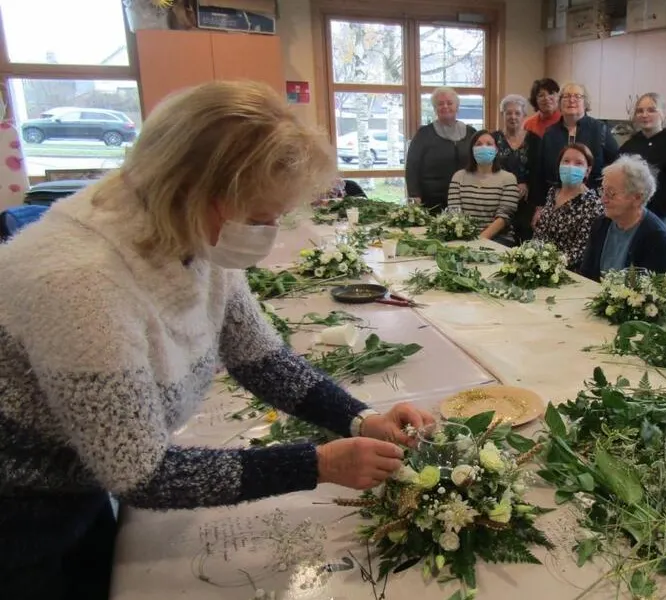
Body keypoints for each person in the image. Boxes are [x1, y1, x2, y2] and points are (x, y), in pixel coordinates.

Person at [0, 81, 435, 599]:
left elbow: (261, 360)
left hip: (76, 488)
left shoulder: (185, 229)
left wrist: (361, 418)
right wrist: (318, 464)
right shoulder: (79, 280)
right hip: (18, 515)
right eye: (258, 218)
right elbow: (143, 474)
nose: (268, 231)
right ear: (193, 188)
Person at [578, 154, 666, 281]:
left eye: (611, 193)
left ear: (637, 198)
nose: (603, 199)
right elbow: (586, 276)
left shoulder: (657, 238)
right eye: (603, 191)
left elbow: (652, 295)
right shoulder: (601, 224)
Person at [533, 82, 619, 225]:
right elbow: (540, 172)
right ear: (560, 103)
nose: (571, 100)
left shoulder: (600, 129)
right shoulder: (550, 133)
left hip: (593, 205)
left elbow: (617, 166)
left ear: (586, 103)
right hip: (556, 203)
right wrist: (539, 207)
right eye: (566, 96)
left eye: (577, 96)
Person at [618, 92, 666, 241]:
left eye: (651, 110)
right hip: (631, 213)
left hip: (665, 214)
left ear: (664, 114)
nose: (645, 114)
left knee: (659, 261)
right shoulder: (629, 145)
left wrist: (657, 209)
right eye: (640, 111)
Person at [532, 143, 604, 271]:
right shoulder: (552, 192)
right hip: (538, 264)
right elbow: (540, 232)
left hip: (567, 271)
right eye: (566, 161)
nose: (571, 167)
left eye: (578, 163)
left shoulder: (593, 204)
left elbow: (580, 251)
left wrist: (548, 265)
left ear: (588, 170)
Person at [405, 87, 476, 211]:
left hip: (466, 199)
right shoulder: (424, 134)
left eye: (449, 103)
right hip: (431, 201)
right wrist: (414, 195)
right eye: (440, 104)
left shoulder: (471, 133)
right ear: (435, 109)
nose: (445, 106)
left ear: (457, 107)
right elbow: (412, 166)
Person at [447, 130, 519, 245]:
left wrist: (478, 240)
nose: (484, 147)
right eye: (479, 144)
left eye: (489, 144)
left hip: (498, 239)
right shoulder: (458, 177)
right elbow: (454, 212)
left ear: (496, 150)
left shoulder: (508, 179)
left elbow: (504, 217)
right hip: (463, 237)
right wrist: (465, 239)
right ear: (472, 149)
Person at [492, 94, 541, 242]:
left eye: (517, 113)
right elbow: (487, 168)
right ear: (502, 115)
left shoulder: (535, 140)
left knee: (524, 244)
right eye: (509, 113)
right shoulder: (493, 139)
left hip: (527, 202)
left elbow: (539, 171)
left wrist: (526, 183)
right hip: (498, 200)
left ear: (524, 115)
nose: (513, 117)